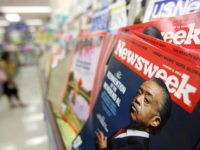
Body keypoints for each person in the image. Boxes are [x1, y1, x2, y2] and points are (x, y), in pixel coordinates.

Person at [96, 78, 172, 150]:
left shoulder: (138, 147)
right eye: (139, 93)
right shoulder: (129, 129)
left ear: (155, 121)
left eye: (146, 100)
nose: (138, 99)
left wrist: (103, 148)